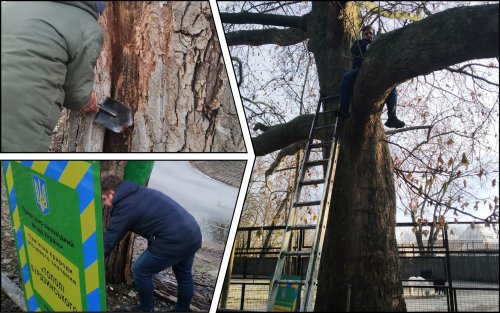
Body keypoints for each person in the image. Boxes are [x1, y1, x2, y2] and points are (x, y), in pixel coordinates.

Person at [1, 1, 106, 152]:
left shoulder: (13, 6)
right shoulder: (87, 26)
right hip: (21, 122)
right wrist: (87, 101)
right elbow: (75, 96)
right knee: (22, 172)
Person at [101, 175, 202, 312]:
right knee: (184, 275)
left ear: (112, 193)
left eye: (104, 199)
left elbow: (108, 241)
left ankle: (146, 308)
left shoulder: (124, 206)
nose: (105, 204)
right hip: (192, 233)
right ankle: (182, 310)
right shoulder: (139, 191)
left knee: (140, 270)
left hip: (174, 239)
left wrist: (93, 262)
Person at [335, 25, 405, 129]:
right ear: (362, 36)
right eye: (366, 34)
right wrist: (368, 47)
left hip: (379, 71)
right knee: (346, 78)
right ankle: (344, 109)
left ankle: (392, 117)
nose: (369, 35)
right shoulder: (359, 43)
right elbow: (354, 50)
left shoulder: (379, 44)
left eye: (370, 33)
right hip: (359, 70)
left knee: (392, 89)